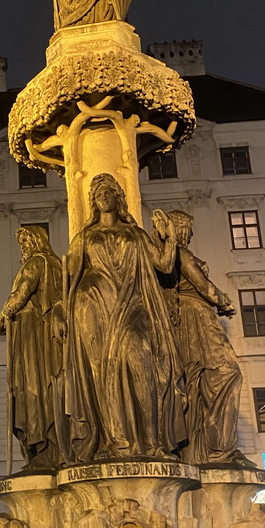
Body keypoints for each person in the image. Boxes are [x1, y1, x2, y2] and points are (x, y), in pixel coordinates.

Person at [61, 174, 186, 461]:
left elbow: (165, 265)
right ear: (93, 202)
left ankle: (152, 443)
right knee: (102, 374)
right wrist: (62, 314)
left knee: (143, 365)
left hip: (131, 305)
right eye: (98, 193)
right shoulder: (84, 237)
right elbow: (69, 279)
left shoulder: (136, 235)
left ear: (118, 197)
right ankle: (116, 442)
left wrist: (170, 237)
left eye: (108, 192)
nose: (103, 197)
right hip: (92, 307)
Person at [166, 211, 253, 467]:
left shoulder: (175, 255)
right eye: (189, 228)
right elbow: (202, 285)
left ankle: (213, 445)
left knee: (204, 380)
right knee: (227, 372)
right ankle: (219, 448)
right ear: (180, 228)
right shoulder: (180, 254)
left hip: (194, 317)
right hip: (196, 318)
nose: (191, 234)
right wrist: (222, 301)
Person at [0, 226, 64, 470]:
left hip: (32, 339)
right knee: (48, 392)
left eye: (26, 242)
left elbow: (21, 294)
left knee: (32, 391)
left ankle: (41, 450)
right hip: (51, 340)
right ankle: (54, 446)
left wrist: (4, 313)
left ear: (36, 241)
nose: (23, 247)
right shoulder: (57, 265)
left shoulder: (36, 263)